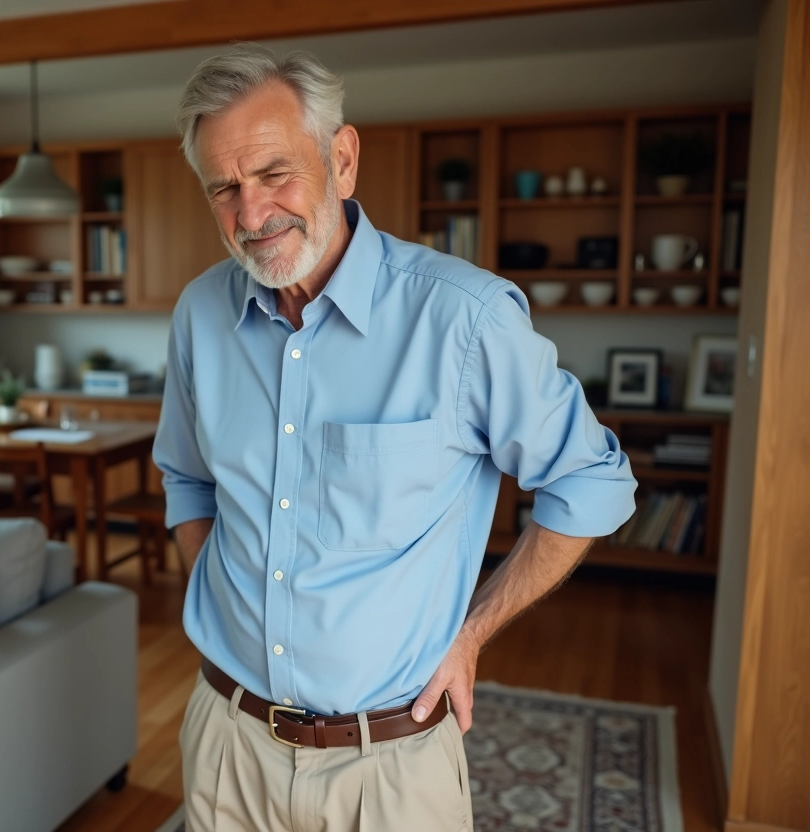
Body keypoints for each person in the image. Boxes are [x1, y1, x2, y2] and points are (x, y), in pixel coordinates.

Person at [152, 44, 637, 831]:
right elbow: (186, 476)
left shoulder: (466, 320)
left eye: (274, 173)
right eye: (225, 188)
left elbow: (591, 480)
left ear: (341, 159)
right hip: (227, 742)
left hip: (390, 765)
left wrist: (473, 633)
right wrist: (219, 597)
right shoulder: (199, 315)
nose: (252, 213)